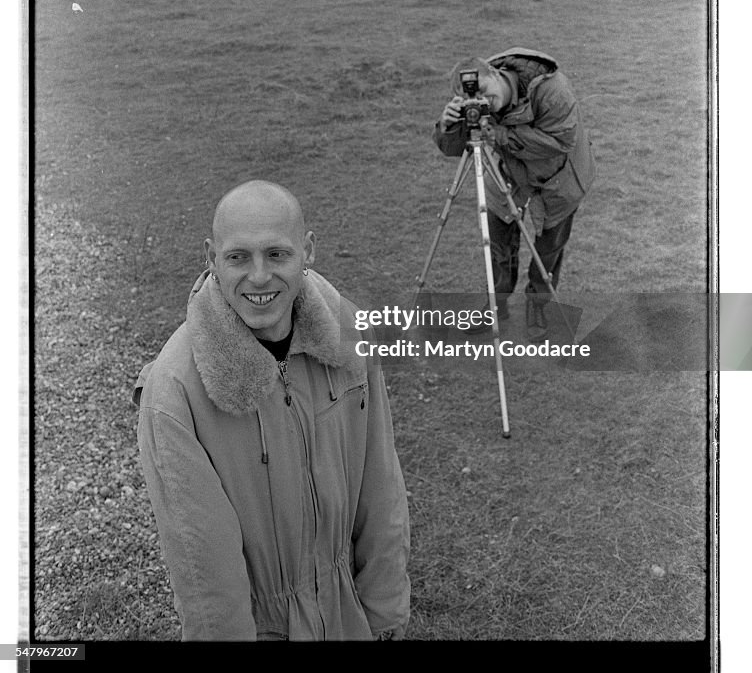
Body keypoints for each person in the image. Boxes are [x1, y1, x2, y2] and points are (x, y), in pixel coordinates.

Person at [133, 180, 410, 641]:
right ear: (210, 258)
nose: (259, 276)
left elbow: (381, 490)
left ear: (308, 251)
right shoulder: (174, 393)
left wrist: (385, 610)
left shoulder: (349, 337)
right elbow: (207, 576)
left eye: (277, 255)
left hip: (351, 617)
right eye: (238, 257)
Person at [434, 48, 595, 335]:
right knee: (498, 247)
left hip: (558, 182)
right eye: (470, 98)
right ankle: (495, 306)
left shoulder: (551, 90)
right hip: (504, 179)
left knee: (548, 249)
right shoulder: (475, 103)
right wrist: (447, 127)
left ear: (495, 74)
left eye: (483, 91)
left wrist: (499, 135)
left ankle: (538, 306)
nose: (481, 102)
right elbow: (456, 148)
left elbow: (561, 140)